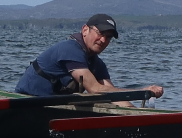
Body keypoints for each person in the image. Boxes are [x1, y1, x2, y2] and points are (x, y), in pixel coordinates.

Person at [15, 13, 165, 100]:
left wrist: (137, 115)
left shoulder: (97, 64)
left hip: (52, 105)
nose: (103, 40)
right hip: (27, 101)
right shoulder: (70, 49)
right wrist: (142, 91)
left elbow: (113, 95)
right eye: (100, 33)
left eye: (108, 37)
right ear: (85, 30)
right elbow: (94, 89)